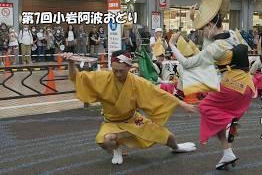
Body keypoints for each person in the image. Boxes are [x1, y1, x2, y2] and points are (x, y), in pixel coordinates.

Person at [64, 50, 197, 165]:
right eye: (115, 70)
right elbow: (76, 77)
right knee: (105, 141)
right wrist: (70, 63)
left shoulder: (137, 82)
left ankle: (176, 147)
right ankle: (117, 150)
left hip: (133, 120)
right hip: (112, 122)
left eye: (121, 71)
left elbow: (159, 93)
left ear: (129, 68)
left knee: (168, 136)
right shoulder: (102, 77)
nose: (118, 74)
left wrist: (182, 104)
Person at [169, 0, 256, 170]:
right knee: (215, 113)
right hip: (247, 86)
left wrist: (172, 44)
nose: (201, 33)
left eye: (203, 29)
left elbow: (187, 63)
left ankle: (229, 125)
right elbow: (212, 42)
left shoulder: (215, 48)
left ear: (209, 25)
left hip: (230, 86)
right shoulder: (233, 34)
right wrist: (195, 18)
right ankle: (227, 150)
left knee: (206, 109)